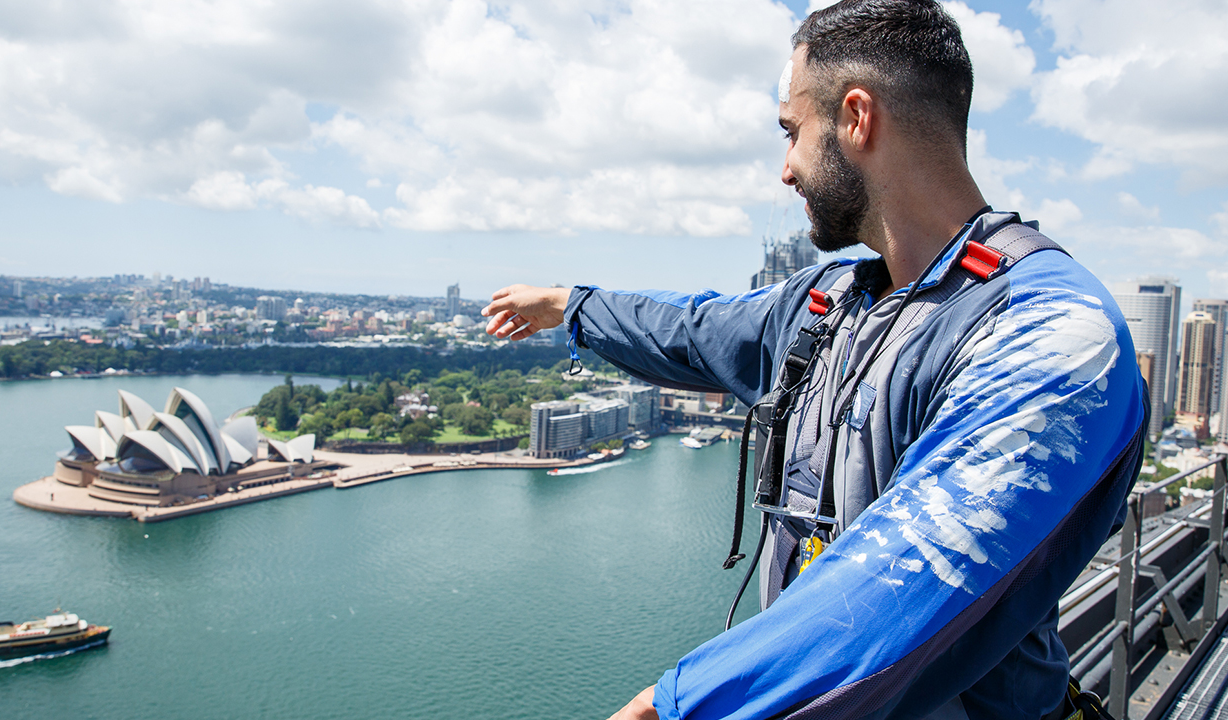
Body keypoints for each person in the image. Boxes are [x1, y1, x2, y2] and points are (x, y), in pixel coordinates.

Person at [482, 1, 1147, 718]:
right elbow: (693, 325)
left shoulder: (1053, 329)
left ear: (857, 119)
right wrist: (569, 306)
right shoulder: (828, 305)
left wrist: (676, 705)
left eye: (791, 131)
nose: (786, 170)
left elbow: (913, 576)